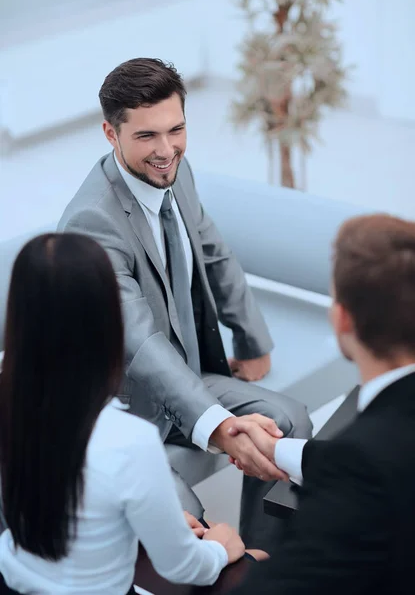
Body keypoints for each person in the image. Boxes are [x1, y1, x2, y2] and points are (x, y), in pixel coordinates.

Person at [57, 57, 312, 550]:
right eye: (147, 136)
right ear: (111, 134)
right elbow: (141, 342)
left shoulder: (176, 170)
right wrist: (220, 426)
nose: (166, 149)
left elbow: (213, 252)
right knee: (187, 522)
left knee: (292, 420)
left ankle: (262, 564)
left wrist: (251, 338)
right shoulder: (93, 222)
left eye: (176, 130)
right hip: (131, 406)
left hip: (192, 372)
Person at [0, 233, 251, 594]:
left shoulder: (13, 401)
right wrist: (220, 546)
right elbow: (182, 567)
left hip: (14, 580)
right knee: (254, 560)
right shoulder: (126, 439)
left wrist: (150, 523)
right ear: (106, 319)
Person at [229, 214, 415, 594]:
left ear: (342, 319)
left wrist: (225, 554)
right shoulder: (373, 450)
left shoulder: (360, 471)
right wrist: (278, 451)